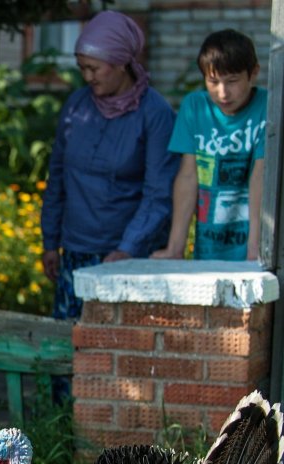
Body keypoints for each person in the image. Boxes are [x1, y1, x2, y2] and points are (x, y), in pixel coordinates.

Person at [41, 11, 179, 321]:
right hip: (75, 251)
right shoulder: (77, 106)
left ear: (120, 63)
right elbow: (58, 177)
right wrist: (50, 241)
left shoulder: (155, 114)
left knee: (118, 352)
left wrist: (127, 248)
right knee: (70, 350)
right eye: (82, 68)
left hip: (125, 257)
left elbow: (159, 193)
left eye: (94, 68)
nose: (87, 77)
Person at [151, 29, 266, 261]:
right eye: (213, 82)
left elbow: (261, 175)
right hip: (208, 246)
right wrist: (176, 248)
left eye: (232, 81)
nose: (223, 92)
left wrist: (255, 248)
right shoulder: (194, 107)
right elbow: (187, 176)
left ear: (253, 73)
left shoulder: (268, 105)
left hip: (253, 246)